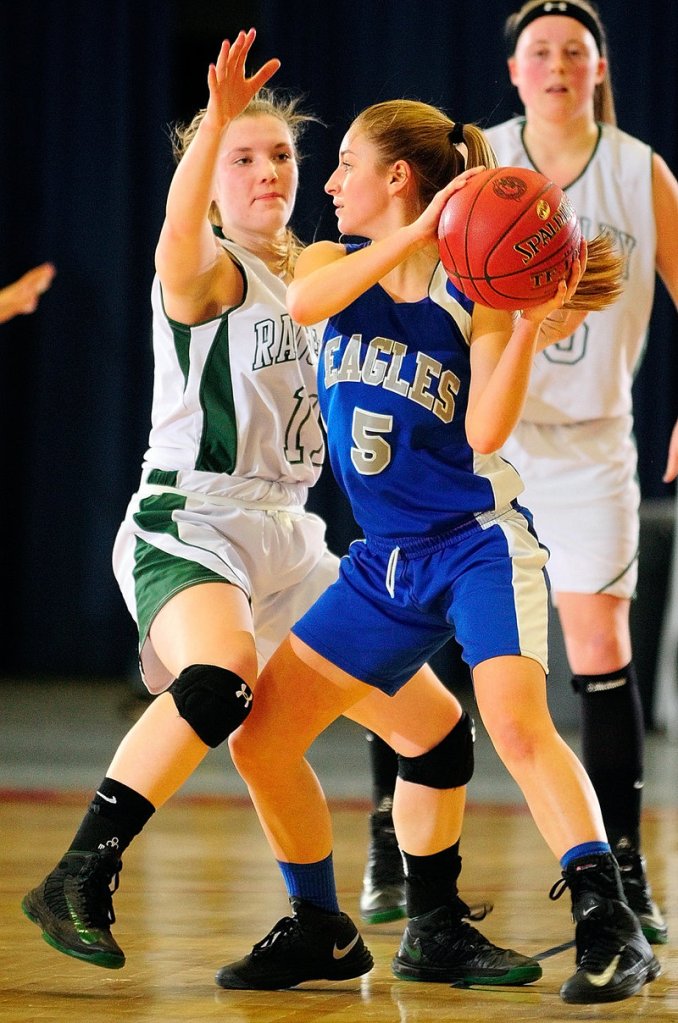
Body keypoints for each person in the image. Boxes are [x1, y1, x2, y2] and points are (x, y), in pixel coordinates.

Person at [220, 97, 660, 1005]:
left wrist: (527, 325)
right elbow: (303, 299)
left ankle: (608, 920)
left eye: (345, 162)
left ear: (396, 175)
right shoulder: (332, 261)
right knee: (261, 738)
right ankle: (321, 926)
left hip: (476, 546)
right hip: (384, 562)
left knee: (514, 723)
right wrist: (424, 226)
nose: (329, 180)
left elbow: (487, 424)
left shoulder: (475, 288)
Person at [20, 30, 362, 974]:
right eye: (241, 159)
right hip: (194, 517)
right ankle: (81, 873)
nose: (265, 172)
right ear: (209, 181)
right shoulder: (203, 266)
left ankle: (337, 926)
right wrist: (215, 122)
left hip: (294, 531)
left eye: (281, 155)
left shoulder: (321, 272)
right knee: (221, 682)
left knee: (424, 711)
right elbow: (178, 227)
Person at [481, 0, 678, 946]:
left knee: (597, 642)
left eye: (574, 50)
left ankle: (627, 871)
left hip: (596, 438)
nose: (557, 63)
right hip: (492, 435)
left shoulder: (642, 172)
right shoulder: (481, 159)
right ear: (514, 71)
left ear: (598, 68)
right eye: (539, 51)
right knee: (442, 626)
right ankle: (395, 855)